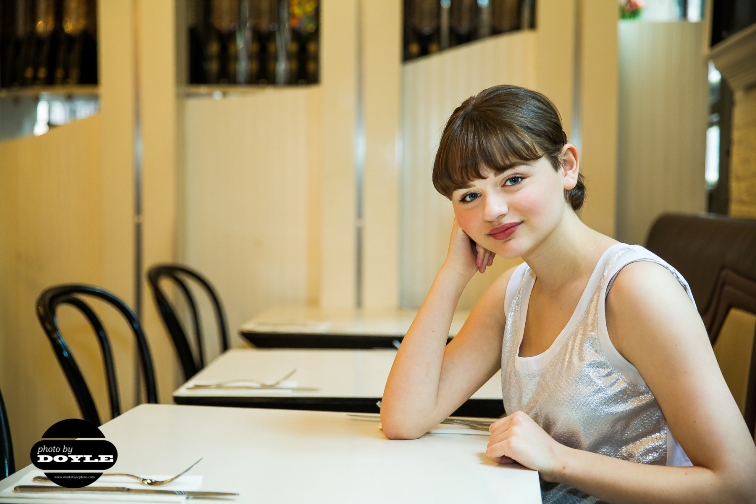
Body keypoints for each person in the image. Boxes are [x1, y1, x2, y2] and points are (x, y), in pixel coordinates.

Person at [381, 85, 756, 503]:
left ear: (566, 167)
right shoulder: (513, 292)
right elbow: (404, 419)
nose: (491, 211)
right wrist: (453, 273)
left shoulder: (636, 289)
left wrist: (558, 459)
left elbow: (738, 484)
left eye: (514, 179)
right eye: (470, 196)